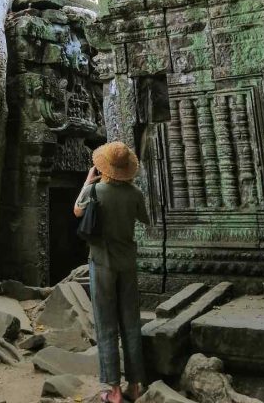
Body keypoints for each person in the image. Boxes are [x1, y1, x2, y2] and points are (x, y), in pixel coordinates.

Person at [73, 141, 149, 403]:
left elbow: (77, 210)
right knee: (130, 322)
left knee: (106, 324)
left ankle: (113, 390)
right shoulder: (135, 193)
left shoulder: (95, 190)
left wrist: (87, 180)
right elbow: (145, 218)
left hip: (102, 262)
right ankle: (135, 385)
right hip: (127, 262)